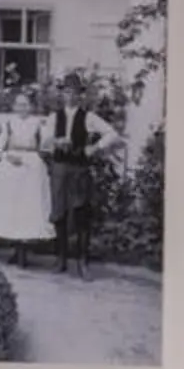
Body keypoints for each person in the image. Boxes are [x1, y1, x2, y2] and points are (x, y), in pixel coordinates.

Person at [44, 75, 128, 274]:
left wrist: (95, 147)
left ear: (80, 95)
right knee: (59, 214)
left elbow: (112, 134)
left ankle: (83, 262)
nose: (69, 95)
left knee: (82, 213)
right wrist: (56, 142)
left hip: (79, 169)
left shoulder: (89, 117)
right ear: (62, 94)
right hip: (59, 168)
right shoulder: (54, 117)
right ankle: (61, 259)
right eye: (66, 91)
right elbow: (44, 142)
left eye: (74, 92)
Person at [0, 84, 58, 264]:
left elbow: (47, 147)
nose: (22, 108)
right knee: (12, 207)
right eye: (19, 104)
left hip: (32, 167)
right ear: (13, 107)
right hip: (11, 166)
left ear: (31, 106)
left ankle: (24, 251)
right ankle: (15, 248)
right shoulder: (9, 123)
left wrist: (40, 151)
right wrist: (8, 155)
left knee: (29, 207)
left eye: (26, 104)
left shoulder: (38, 123)